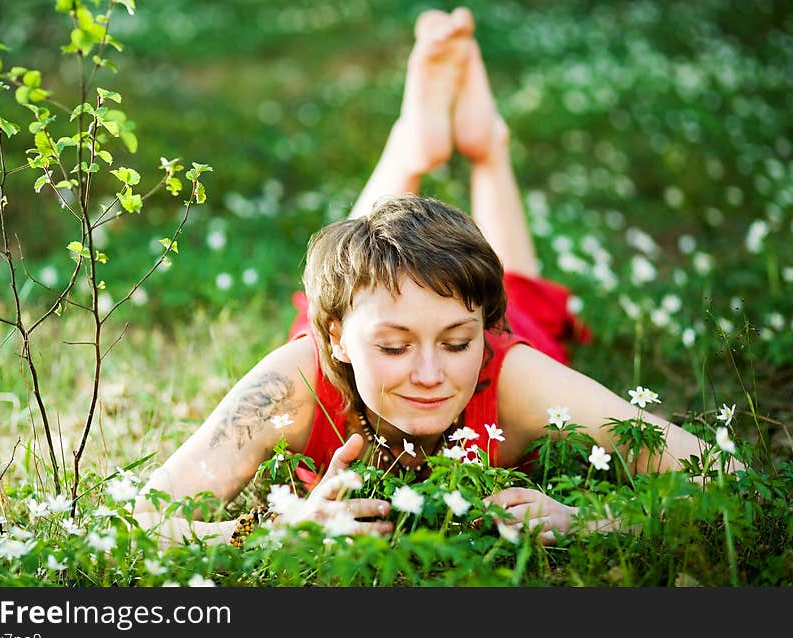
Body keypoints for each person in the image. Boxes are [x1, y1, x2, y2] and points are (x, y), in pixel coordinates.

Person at [132, 7, 742, 547]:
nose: (429, 376)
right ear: (337, 338)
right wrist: (270, 533)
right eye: (395, 347)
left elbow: (728, 480)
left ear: (481, 333)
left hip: (499, 337)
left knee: (517, 296)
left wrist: (588, 523)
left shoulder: (513, 377)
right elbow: (146, 520)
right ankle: (415, 139)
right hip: (355, 342)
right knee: (357, 272)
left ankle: (488, 147)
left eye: (455, 343)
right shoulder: (298, 383)